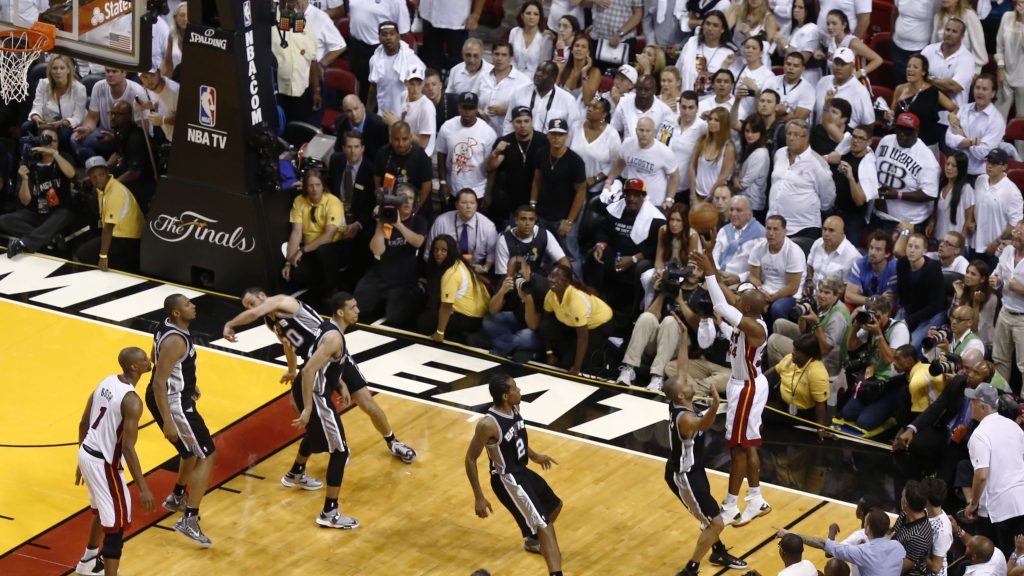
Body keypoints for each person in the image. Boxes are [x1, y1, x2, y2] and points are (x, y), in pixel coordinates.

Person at [223, 289, 417, 476]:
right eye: (247, 306)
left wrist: (230, 324)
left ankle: (393, 442)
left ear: (263, 296)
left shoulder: (281, 301)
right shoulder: (271, 321)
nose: (250, 308)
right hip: (314, 363)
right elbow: (287, 343)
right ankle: (324, 454)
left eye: (251, 303)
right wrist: (291, 370)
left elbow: (255, 313)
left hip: (333, 352)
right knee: (299, 405)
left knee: (367, 403)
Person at [690, 240, 772, 527]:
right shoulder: (747, 321)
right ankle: (755, 498)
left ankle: (729, 505)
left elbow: (722, 304)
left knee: (737, 449)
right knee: (747, 446)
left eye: (741, 298)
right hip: (746, 385)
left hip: (747, 388)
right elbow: (726, 304)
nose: (737, 298)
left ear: (747, 306)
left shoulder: (753, 326)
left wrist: (710, 271)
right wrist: (710, 260)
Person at [663, 329, 749, 576]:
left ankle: (718, 549)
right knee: (715, 522)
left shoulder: (678, 400)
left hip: (694, 470)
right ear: (681, 394)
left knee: (707, 513)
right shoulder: (686, 419)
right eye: (688, 383)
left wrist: (681, 335)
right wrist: (714, 405)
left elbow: (680, 368)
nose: (690, 381)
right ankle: (691, 568)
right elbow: (703, 424)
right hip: (685, 475)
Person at [465, 372, 564, 574]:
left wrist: (535, 456)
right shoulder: (488, 424)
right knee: (544, 524)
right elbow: (470, 458)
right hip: (506, 478)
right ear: (505, 396)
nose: (519, 390)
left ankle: (534, 541)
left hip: (522, 470)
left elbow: (517, 438)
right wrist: (479, 497)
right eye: (515, 388)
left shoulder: (515, 407)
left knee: (554, 505)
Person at [74, 348, 155, 576]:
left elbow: (83, 423)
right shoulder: (132, 401)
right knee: (117, 527)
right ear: (134, 367)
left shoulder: (106, 381)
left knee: (103, 510)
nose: (149, 361)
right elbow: (128, 449)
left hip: (88, 453)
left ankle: (88, 561)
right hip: (104, 464)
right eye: (144, 360)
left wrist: (80, 460)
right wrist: (144, 488)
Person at [145, 294, 215, 546]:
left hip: (175, 396)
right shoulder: (175, 340)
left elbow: (156, 360)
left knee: (190, 452)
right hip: (174, 404)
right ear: (176, 313)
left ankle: (176, 497)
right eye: (187, 304)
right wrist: (168, 420)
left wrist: (188, 384)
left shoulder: (164, 326)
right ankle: (189, 519)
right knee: (207, 454)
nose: (193, 305)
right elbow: (159, 381)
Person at [291, 293, 361, 529]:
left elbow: (324, 364)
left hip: (312, 389)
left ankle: (295, 473)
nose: (357, 310)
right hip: (315, 395)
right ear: (340, 312)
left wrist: (339, 382)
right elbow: (310, 370)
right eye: (353, 307)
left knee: (317, 433)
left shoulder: (327, 327)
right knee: (340, 452)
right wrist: (308, 409)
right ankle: (329, 512)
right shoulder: (334, 339)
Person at [353, 183, 427, 328]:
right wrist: (381, 224)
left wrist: (398, 224)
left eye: (410, 198)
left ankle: (413, 293)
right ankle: (382, 300)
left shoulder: (419, 221)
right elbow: (377, 250)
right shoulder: (384, 218)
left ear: (415, 202)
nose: (406, 202)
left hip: (403, 278)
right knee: (359, 308)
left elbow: (418, 242)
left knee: (396, 319)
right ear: (394, 200)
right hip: (379, 274)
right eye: (402, 198)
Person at [585, 178, 664, 311]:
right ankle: (594, 300)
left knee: (642, 268)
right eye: (628, 194)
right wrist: (600, 244)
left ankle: (634, 311)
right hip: (616, 254)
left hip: (638, 259)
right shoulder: (615, 209)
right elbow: (603, 230)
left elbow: (656, 247)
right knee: (592, 256)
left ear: (643, 197)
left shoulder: (656, 219)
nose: (631, 198)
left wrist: (633, 259)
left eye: (636, 195)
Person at [965, 382, 1024, 555]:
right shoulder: (1013, 426)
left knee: (992, 559)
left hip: (997, 511)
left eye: (972, 402)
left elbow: (982, 475)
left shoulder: (980, 434)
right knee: (1016, 560)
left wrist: (973, 504)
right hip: (1021, 503)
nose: (970, 405)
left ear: (982, 406)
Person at [0, 127, 76, 259]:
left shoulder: (63, 157)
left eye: (54, 141)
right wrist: (24, 180)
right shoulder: (30, 162)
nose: (51, 144)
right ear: (39, 142)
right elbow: (25, 201)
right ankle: (51, 237)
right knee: (4, 220)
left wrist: (55, 154)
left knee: (65, 213)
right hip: (36, 214)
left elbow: (71, 173)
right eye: (47, 140)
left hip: (58, 212)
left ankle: (24, 243)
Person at [768, 119, 837, 251]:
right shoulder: (780, 154)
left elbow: (828, 198)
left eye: (796, 135)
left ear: (806, 138)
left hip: (802, 228)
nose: (791, 138)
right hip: (775, 226)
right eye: (788, 134)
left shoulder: (817, 163)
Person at [531, 118, 587, 272]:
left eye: (560, 135)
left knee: (570, 256)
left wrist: (569, 221)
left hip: (563, 217)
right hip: (542, 214)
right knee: (541, 254)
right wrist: (533, 206)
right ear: (548, 135)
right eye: (553, 134)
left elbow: (581, 193)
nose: (556, 138)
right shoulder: (541, 153)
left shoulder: (575, 161)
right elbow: (536, 180)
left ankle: (577, 288)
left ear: (566, 136)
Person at [73, 156, 144, 273]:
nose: (98, 180)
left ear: (107, 172)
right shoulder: (104, 188)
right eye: (94, 177)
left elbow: (108, 228)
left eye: (101, 175)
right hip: (123, 235)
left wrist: (103, 256)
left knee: (81, 255)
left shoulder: (115, 192)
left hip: (128, 239)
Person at [540, 264, 614, 376]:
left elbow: (583, 337)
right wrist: (549, 353)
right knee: (546, 326)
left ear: (566, 283)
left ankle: (608, 347)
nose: (552, 280)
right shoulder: (551, 295)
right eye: (551, 275)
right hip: (574, 325)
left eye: (558, 278)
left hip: (600, 324)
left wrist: (576, 368)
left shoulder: (576, 300)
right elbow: (544, 323)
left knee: (570, 364)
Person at [281, 168, 346, 294]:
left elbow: (328, 236)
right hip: (311, 251)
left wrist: (302, 250)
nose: (314, 189)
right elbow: (296, 233)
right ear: (305, 187)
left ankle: (334, 288)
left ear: (323, 186)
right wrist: (288, 262)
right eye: (311, 185)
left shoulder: (333, 202)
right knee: (295, 273)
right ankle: (322, 285)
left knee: (324, 250)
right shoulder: (299, 201)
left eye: (318, 185)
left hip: (333, 248)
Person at [782, 511, 907, 576]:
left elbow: (822, 544)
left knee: (830, 568)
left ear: (867, 529)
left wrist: (789, 534)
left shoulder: (863, 552)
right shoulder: (898, 547)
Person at [874, 113, 941, 233]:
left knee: (899, 252)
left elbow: (929, 193)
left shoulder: (927, 159)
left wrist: (898, 195)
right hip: (878, 214)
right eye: (899, 129)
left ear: (917, 131)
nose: (902, 134)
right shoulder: (886, 141)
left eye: (908, 131)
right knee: (874, 250)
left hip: (906, 223)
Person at [419, 234, 491, 342]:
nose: (439, 253)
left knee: (423, 322)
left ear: (450, 252)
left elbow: (447, 307)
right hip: (480, 313)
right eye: (436, 250)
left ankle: (459, 336)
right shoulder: (459, 262)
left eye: (444, 250)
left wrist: (439, 333)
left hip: (472, 318)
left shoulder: (451, 274)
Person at [487, 106, 549, 224]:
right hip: (511, 199)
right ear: (512, 123)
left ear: (532, 121)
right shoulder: (505, 141)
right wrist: (496, 152)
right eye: (518, 121)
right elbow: (490, 167)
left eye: (526, 121)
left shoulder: (544, 141)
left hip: (538, 198)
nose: (523, 125)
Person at [436, 92, 498, 206]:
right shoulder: (447, 126)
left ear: (477, 109)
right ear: (458, 108)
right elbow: (441, 154)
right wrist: (443, 182)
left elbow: (492, 166)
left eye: (471, 108)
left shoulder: (488, 133)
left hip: (478, 190)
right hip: (452, 187)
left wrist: (488, 193)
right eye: (464, 107)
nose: (467, 111)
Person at [946, 74, 1008, 181]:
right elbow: (949, 139)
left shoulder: (997, 121)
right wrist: (973, 141)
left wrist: (963, 137)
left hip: (978, 176)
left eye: (984, 89)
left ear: (993, 93)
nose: (980, 92)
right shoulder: (964, 109)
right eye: (977, 88)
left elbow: (983, 153)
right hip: (957, 171)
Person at [890, 54, 959, 149]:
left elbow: (954, 108)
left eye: (915, 67)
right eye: (908, 66)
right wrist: (888, 116)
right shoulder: (900, 89)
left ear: (923, 72)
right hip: (902, 142)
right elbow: (892, 115)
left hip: (925, 145)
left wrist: (952, 116)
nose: (910, 69)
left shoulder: (933, 92)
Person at [748, 215, 807, 325]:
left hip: (790, 295)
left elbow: (793, 287)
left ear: (785, 231)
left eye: (775, 229)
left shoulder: (793, 252)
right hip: (766, 290)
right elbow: (753, 276)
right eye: (768, 228)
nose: (771, 233)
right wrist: (760, 291)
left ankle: (777, 337)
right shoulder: (759, 247)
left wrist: (770, 299)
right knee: (745, 300)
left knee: (777, 308)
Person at [483, 256, 545, 359]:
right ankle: (517, 347)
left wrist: (528, 299)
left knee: (526, 336)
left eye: (520, 274)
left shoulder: (540, 286)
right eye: (513, 274)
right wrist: (502, 292)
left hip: (534, 331)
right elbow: (492, 310)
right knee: (488, 321)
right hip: (516, 321)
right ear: (507, 272)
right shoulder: (506, 280)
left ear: (528, 269)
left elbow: (533, 326)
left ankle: (501, 347)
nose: (517, 278)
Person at [425, 189, 498, 275]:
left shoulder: (488, 226)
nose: (468, 206)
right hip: (445, 268)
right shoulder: (442, 221)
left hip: (476, 269)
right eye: (464, 202)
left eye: (472, 203)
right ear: (456, 205)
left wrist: (485, 268)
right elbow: (429, 251)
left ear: (476, 205)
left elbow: (492, 252)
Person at [895, 232, 948, 349]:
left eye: (916, 247)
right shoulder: (902, 263)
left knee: (912, 344)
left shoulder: (932, 269)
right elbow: (903, 295)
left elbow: (935, 306)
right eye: (909, 246)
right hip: (911, 310)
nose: (912, 250)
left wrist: (909, 320)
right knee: (892, 335)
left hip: (933, 313)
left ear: (924, 251)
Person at [971, 150, 1023, 265]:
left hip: (997, 251)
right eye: (988, 162)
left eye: (994, 163)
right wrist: (972, 221)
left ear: (1004, 166)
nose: (989, 166)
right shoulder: (980, 180)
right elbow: (976, 204)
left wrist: (997, 242)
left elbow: (1015, 224)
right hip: (975, 244)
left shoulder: (1012, 192)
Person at [503, 61, 580, 135]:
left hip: (550, 146)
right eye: (538, 70)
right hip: (521, 143)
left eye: (544, 73)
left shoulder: (568, 100)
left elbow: (573, 131)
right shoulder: (519, 92)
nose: (538, 74)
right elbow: (508, 121)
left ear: (553, 79)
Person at [367, 21, 425, 118]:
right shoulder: (374, 59)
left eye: (392, 34)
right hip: (383, 115)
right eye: (384, 34)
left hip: (406, 117)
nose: (388, 37)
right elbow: (373, 88)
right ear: (379, 38)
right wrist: (367, 114)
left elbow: (420, 91)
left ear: (398, 36)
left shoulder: (412, 61)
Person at [831, 123, 877, 245]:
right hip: (835, 210)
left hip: (853, 219)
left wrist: (850, 177)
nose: (856, 141)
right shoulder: (846, 153)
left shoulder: (867, 167)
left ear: (869, 142)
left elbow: (859, 201)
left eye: (861, 138)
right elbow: (829, 158)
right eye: (854, 137)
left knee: (849, 255)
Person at [990, 219, 1024, 384]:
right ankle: (999, 398)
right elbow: (998, 272)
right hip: (1005, 312)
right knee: (999, 359)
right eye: (1016, 233)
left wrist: (1020, 289)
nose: (1016, 237)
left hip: (1022, 319)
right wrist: (995, 279)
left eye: (1020, 235)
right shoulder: (1008, 251)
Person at [676, 10, 736, 96]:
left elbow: (729, 87)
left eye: (715, 25)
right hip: (686, 102)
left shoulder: (728, 54)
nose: (710, 28)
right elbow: (678, 71)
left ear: (722, 29)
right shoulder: (692, 43)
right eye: (707, 24)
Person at [479, 42, 530, 136]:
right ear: (492, 55)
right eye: (496, 54)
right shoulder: (483, 76)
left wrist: (506, 111)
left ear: (510, 58)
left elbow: (528, 112)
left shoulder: (524, 81)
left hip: (507, 134)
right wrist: (479, 112)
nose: (499, 58)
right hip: (481, 132)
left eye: (504, 55)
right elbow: (473, 100)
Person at [713, 196, 766, 285]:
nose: (733, 214)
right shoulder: (724, 230)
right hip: (719, 277)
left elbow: (762, 269)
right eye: (731, 209)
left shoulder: (760, 235)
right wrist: (717, 272)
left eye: (738, 210)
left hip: (743, 281)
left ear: (749, 214)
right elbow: (715, 255)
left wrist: (739, 278)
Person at [687, 107, 735, 205]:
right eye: (710, 119)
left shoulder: (728, 147)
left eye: (716, 120)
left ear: (724, 123)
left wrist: (708, 198)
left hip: (715, 199)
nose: (711, 122)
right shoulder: (702, 140)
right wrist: (693, 195)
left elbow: (723, 177)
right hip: (696, 196)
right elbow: (692, 167)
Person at [929, 152, 975, 243]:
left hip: (955, 244)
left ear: (961, 169)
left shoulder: (966, 189)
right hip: (938, 240)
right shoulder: (941, 185)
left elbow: (968, 220)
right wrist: (932, 222)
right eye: (947, 164)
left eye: (954, 166)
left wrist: (960, 243)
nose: (949, 168)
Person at [892, 481, 936, 576]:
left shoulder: (918, 537)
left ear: (905, 503)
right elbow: (891, 535)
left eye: (902, 496)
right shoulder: (905, 514)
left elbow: (899, 570)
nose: (900, 497)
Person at [611, 74, 673, 141]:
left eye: (647, 90)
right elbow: (614, 130)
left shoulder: (665, 111)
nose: (642, 92)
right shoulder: (624, 102)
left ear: (654, 91)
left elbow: (665, 141)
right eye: (640, 89)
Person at [846, 230, 898, 306]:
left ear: (887, 254)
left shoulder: (895, 269)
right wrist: (874, 300)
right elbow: (848, 296)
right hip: (867, 305)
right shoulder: (860, 264)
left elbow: (889, 303)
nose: (872, 252)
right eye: (871, 248)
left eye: (878, 249)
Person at [732, 115, 770, 217]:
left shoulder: (760, 153)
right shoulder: (747, 148)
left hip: (753, 206)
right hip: (743, 202)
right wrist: (735, 178)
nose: (749, 135)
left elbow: (742, 185)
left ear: (761, 133)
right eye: (747, 131)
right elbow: (737, 171)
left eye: (754, 132)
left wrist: (732, 187)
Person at [334, 95, 389, 161]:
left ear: (363, 107)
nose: (354, 114)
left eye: (356, 109)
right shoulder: (341, 122)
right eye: (349, 111)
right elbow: (338, 149)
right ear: (344, 112)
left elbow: (384, 155)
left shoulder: (379, 125)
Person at [995, 1, 1024, 124]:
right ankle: (995, 143)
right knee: (998, 115)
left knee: (1021, 120)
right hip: (1006, 74)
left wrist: (1022, 21)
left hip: (1022, 78)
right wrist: (1001, 67)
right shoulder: (1007, 16)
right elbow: (999, 46)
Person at [509, 1, 554, 77]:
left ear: (540, 17)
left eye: (536, 14)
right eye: (528, 13)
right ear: (522, 16)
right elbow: (510, 58)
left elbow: (544, 66)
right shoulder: (514, 32)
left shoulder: (546, 38)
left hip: (534, 79)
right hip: (512, 75)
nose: (532, 17)